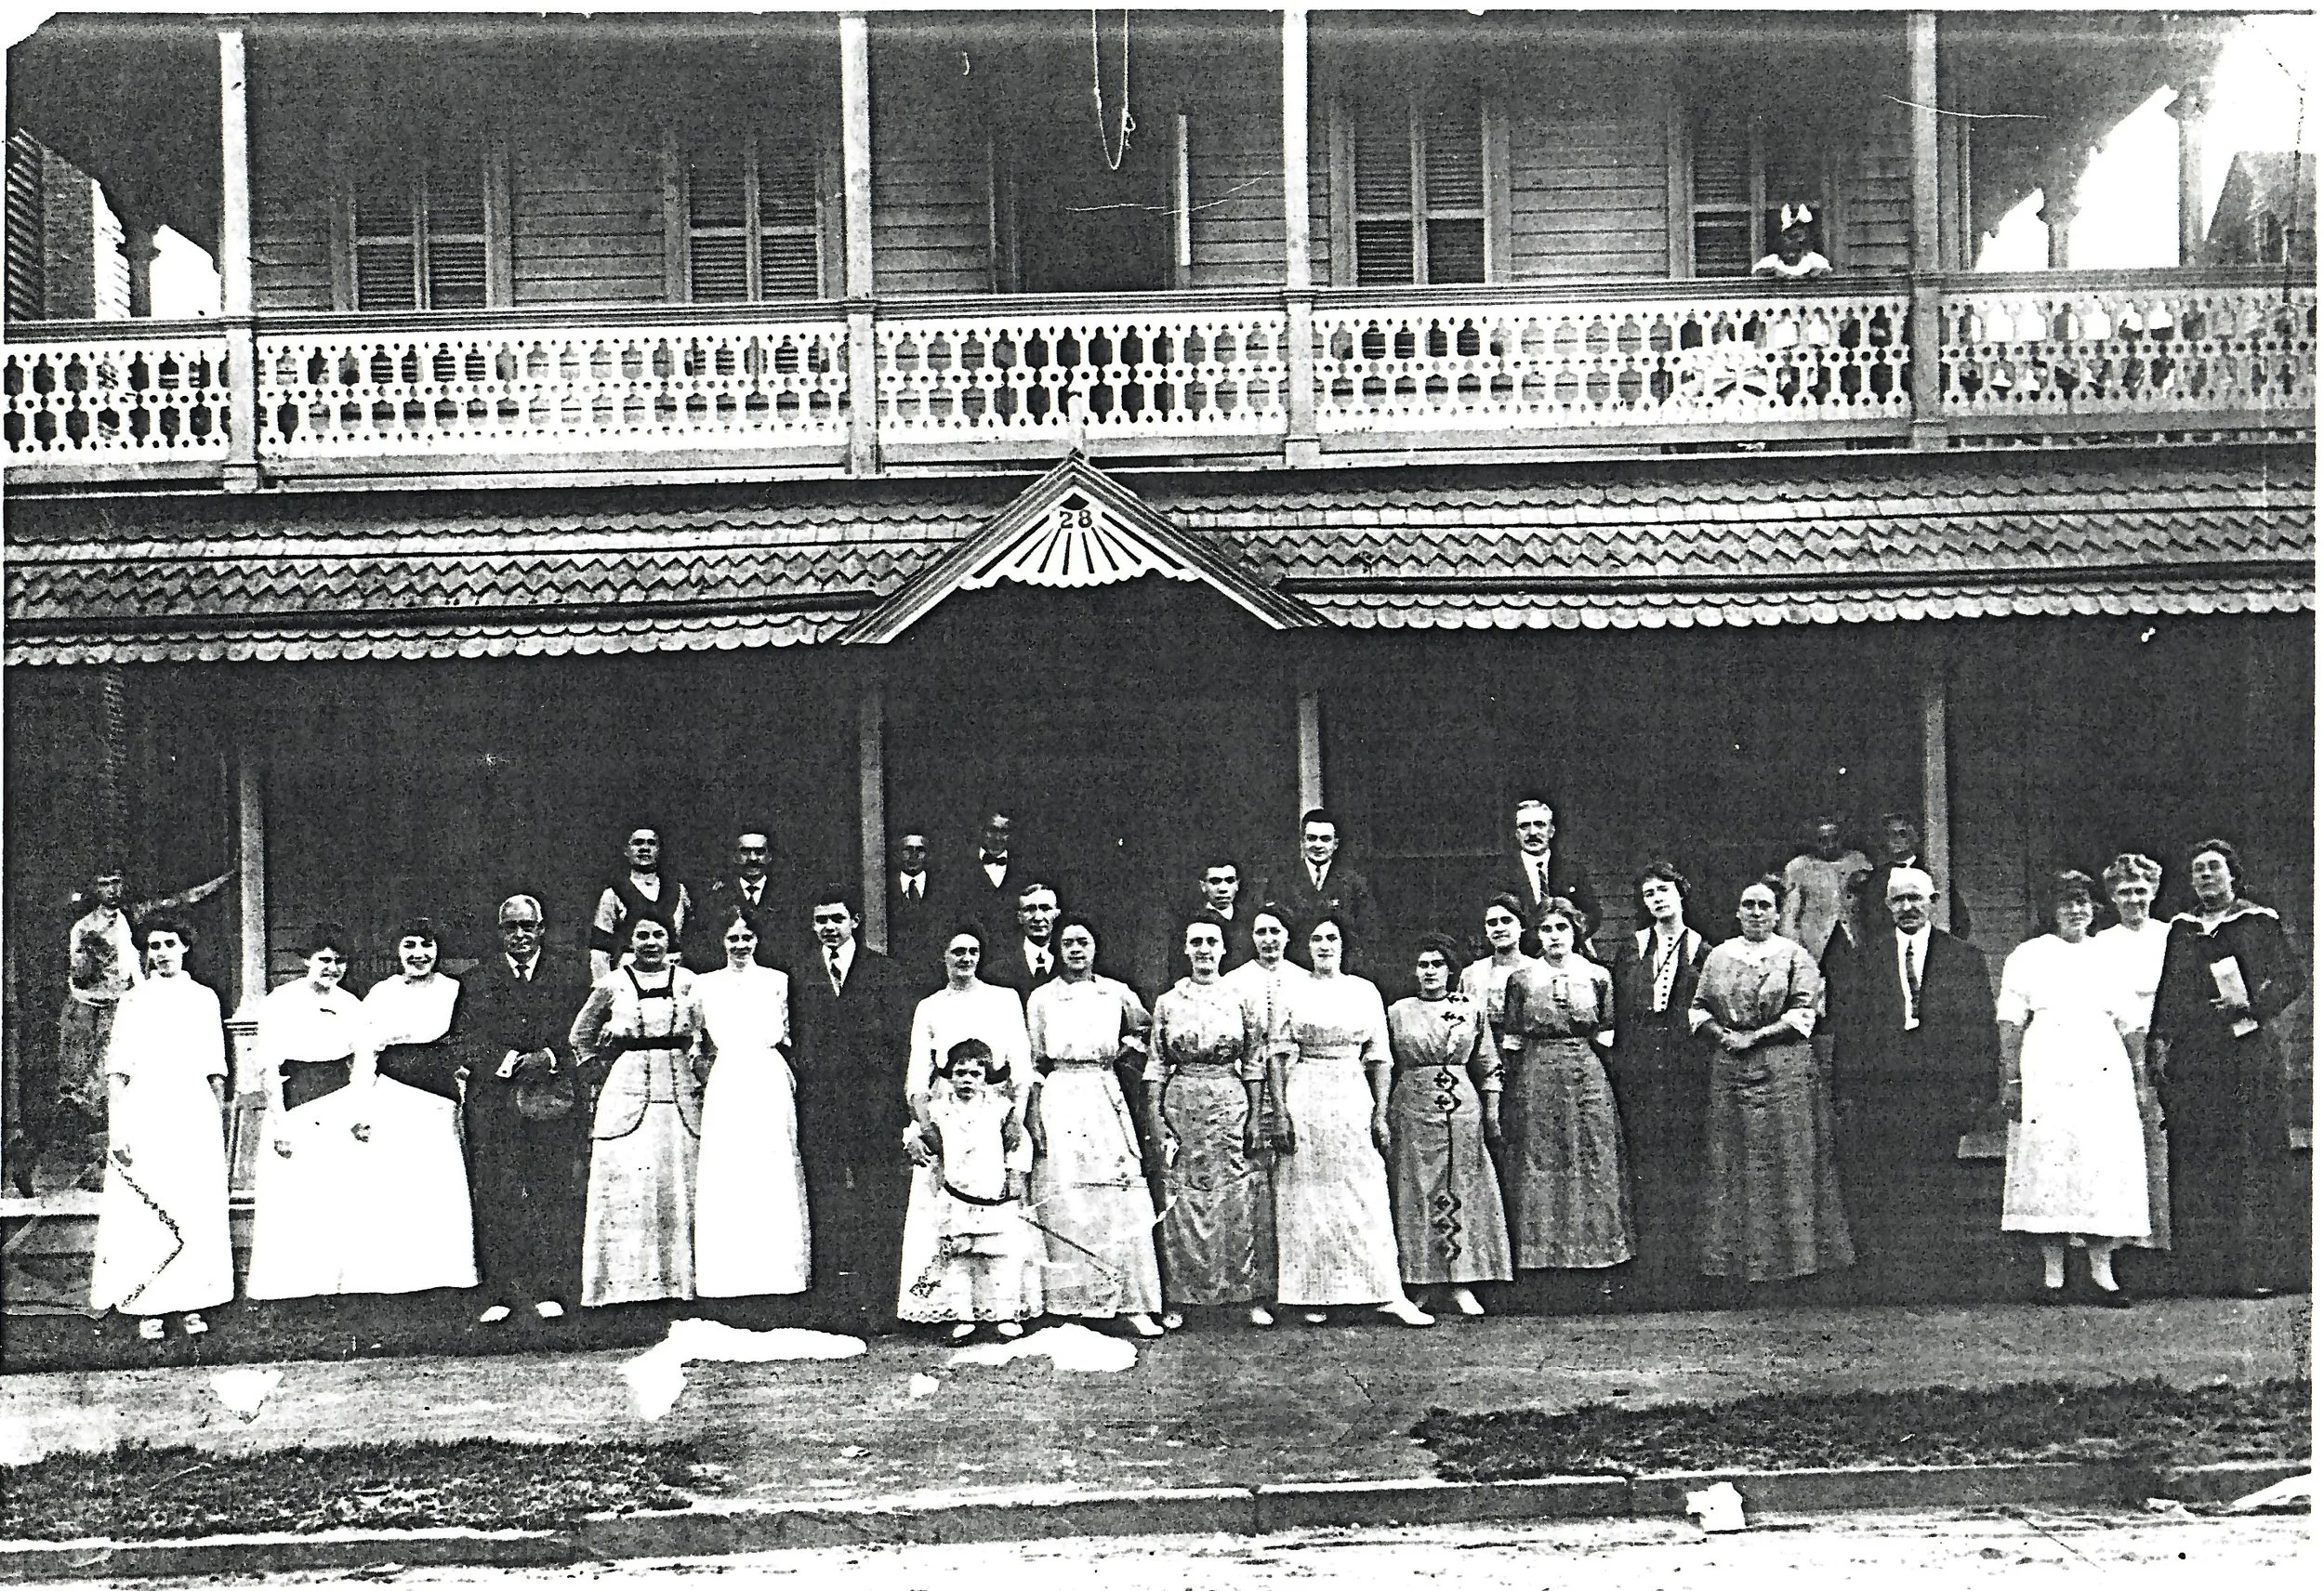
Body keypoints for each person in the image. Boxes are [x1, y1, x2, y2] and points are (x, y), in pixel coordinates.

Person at [1823, 865, 1996, 1295]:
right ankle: (1893, 1275)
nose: (1909, 907)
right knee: (1889, 1178)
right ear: (1886, 906)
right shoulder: (1867, 959)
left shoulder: (1964, 958)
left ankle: (1939, 1273)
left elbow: (1981, 1029)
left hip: (1942, 1089)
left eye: (1917, 898)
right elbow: (1851, 1031)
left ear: (1933, 902)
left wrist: (1980, 1091)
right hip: (1885, 1090)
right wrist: (1847, 1092)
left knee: (1938, 1176)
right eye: (1899, 899)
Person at [2148, 839, 2307, 1298]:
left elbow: (2292, 980)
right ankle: (2201, 1273)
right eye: (2197, 870)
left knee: (2248, 1157)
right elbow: (2169, 991)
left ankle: (2254, 1272)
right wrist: (2159, 1043)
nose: (2205, 877)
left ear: (2234, 875)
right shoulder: (2182, 928)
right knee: (2198, 1155)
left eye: (2214, 868)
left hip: (2247, 1055)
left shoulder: (2259, 920)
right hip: (2196, 1060)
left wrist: (2250, 1004)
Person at [1689, 876, 1855, 1292]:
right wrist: (1724, 1035)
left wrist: (1757, 1037)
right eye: (1749, 905)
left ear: (1778, 913)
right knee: (1733, 1159)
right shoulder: (1719, 956)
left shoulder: (1796, 956)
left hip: (1785, 1070)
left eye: (1765, 906)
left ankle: (1797, 1263)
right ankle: (1736, 1266)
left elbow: (1805, 1014)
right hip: (1731, 1067)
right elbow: (1698, 1008)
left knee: (1790, 1159)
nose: (1757, 913)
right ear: (1738, 912)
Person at [1997, 871, 2150, 1307]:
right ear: (2051, 910)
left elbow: (2131, 1024)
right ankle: (2054, 1275)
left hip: (2102, 1067)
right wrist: (2012, 1078)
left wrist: (2139, 1080)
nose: (2076, 911)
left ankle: (2103, 1274)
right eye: (2066, 903)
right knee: (2050, 1159)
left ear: (2094, 908)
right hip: (2046, 1063)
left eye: (2083, 903)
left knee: (2099, 1160)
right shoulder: (2028, 955)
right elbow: (2010, 1020)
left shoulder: (2108, 955)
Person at [1274, 914, 1433, 1327]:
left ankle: (1383, 1294)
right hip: (1306, 1090)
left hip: (1351, 1092)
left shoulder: (1364, 991)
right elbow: (1275, 1054)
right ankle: (1310, 1295)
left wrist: (1380, 1111)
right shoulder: (1289, 988)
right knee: (1308, 1193)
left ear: (1344, 944)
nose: (1324, 945)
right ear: (1306, 946)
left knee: (1363, 1190)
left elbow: (1379, 1056)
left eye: (1332, 937)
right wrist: (1280, 1112)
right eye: (1316, 938)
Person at [87, 917, 231, 1342]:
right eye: (153, 945)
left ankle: (191, 1301)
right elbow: (118, 1071)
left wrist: (217, 1119)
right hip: (147, 1109)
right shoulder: (134, 1002)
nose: (161, 952)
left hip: (193, 1112)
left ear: (185, 947)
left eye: (170, 943)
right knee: (148, 1209)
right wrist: (120, 1130)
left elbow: (215, 1067)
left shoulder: (204, 998)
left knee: (193, 1204)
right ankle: (148, 1304)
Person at [50, 863, 232, 1190]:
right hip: (93, 1010)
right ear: (96, 889)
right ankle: (91, 1165)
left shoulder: (134, 916)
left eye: (117, 883)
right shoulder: (84, 927)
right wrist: (91, 952)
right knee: (91, 1088)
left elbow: (177, 903)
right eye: (105, 885)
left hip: (134, 1003)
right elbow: (79, 974)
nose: (112, 891)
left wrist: (220, 881)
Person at [1024, 915, 1164, 1336]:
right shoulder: (1042, 998)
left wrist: (1120, 1053)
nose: (1075, 951)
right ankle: (1070, 1302)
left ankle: (1131, 1302)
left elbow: (1145, 1030)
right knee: (1067, 1194)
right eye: (1067, 943)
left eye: (1083, 942)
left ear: (1095, 947)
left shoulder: (1115, 993)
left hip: (1103, 1093)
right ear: (1056, 950)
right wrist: (1033, 1116)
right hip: (1060, 1095)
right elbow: (1033, 1061)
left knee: (1114, 1196)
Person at [462, 893, 592, 1325]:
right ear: (500, 932)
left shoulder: (570, 975)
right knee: (499, 1193)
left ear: (541, 929)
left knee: (550, 1191)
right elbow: (466, 1040)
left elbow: (584, 1032)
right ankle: (502, 1290)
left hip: (553, 1100)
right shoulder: (477, 981)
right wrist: (509, 1062)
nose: (519, 935)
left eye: (527, 926)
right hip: (494, 1103)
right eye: (510, 927)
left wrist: (550, 1059)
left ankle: (551, 1288)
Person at [897, 925, 1037, 1332]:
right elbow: (917, 1076)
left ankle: (1002, 1309)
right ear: (943, 956)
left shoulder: (1004, 999)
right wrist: (927, 1129)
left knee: (999, 1221)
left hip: (994, 1111)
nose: (965, 958)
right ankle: (951, 1310)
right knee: (944, 1213)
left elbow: (1023, 1067)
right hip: (947, 1115)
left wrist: (1016, 1119)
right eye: (957, 951)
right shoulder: (930, 1006)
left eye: (973, 950)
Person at [788, 886, 915, 1331]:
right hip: (823, 1105)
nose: (828, 928)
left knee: (877, 1197)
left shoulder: (885, 971)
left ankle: (882, 1301)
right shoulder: (801, 975)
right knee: (826, 1199)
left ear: (855, 922)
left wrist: (892, 1100)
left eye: (836, 919)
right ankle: (833, 1303)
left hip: (874, 1106)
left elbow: (901, 1043)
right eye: (820, 920)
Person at [1496, 898, 1631, 1295]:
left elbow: (1605, 1033)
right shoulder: (1522, 979)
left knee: (1592, 1156)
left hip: (1586, 1072)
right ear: (1536, 935)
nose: (1555, 937)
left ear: (1576, 933)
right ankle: (1543, 1263)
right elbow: (1514, 1039)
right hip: (1538, 1073)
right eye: (1547, 930)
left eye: (1562, 929)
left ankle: (1599, 1259)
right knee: (1541, 1158)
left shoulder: (1598, 975)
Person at [1149, 916, 1277, 1329]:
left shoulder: (1242, 996)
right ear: (1185, 949)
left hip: (1229, 1099)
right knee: (1183, 1197)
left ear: (1224, 949)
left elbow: (1256, 1062)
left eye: (1212, 942)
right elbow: (1156, 1065)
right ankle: (1181, 1298)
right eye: (1196, 942)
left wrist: (1257, 1115)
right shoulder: (1169, 1001)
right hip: (1183, 1099)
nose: (1204, 949)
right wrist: (1157, 1121)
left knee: (1237, 1197)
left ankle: (1246, 1295)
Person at [572, 915, 705, 1309]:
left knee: (679, 1183)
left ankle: (682, 1290)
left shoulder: (690, 982)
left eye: (658, 935)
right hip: (627, 1094)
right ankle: (625, 1292)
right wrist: (599, 1070)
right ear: (629, 941)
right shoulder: (611, 984)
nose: (650, 943)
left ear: (671, 939)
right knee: (629, 1188)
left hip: (680, 1092)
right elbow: (580, 1035)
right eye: (642, 936)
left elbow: (706, 1033)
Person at [1385, 932, 1512, 1318]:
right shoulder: (1397, 1012)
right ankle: (1421, 1282)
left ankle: (1461, 1282)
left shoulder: (1471, 1009)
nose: (1429, 972)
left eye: (1437, 964)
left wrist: (1491, 1114)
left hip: (1462, 1110)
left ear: (1450, 970)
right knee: (1415, 1190)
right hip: (1412, 1107)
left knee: (1462, 1187)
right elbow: (1381, 1064)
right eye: (1423, 965)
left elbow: (1489, 1065)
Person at [351, 918, 482, 1295]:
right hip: (392, 1092)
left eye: (427, 945)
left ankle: (447, 1276)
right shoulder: (381, 993)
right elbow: (366, 1051)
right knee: (397, 1185)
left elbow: (467, 1044)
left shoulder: (454, 990)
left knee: (441, 1183)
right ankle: (397, 1277)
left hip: (439, 1095)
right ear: (397, 950)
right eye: (410, 945)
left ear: (438, 950)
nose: (419, 954)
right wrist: (362, 1106)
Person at [692, 907, 811, 1310]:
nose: (741, 946)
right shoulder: (704, 985)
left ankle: (780, 1277)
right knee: (729, 1170)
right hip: (728, 1080)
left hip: (767, 1076)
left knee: (771, 1166)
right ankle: (728, 1282)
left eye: (747, 938)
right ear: (721, 943)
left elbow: (789, 1034)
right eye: (733, 939)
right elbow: (698, 1042)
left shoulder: (778, 980)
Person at [243, 923, 369, 1301]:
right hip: (294, 1105)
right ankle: (289, 1288)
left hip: (338, 1106)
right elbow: (269, 1065)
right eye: (324, 960)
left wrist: (360, 1113)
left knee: (334, 1196)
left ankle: (335, 1287)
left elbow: (362, 1064)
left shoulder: (353, 1005)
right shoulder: (281, 1001)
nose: (332, 968)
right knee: (293, 1198)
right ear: (306, 961)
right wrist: (280, 1121)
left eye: (339, 961)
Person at [1608, 861, 1714, 1308]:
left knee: (1684, 1160)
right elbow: (1618, 1006)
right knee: (1644, 1161)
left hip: (1684, 1068)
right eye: (1649, 893)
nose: (1658, 899)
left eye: (1665, 889)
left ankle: (1686, 1267)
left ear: (1682, 893)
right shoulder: (1631, 948)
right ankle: (1648, 1266)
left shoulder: (1704, 948)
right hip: (1639, 1070)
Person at [913, 1038, 1040, 1343]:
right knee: (958, 1257)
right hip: (955, 1196)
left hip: (993, 1195)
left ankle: (1006, 1315)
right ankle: (963, 1316)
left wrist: (1016, 1176)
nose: (967, 1080)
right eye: (960, 1073)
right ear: (949, 1076)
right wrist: (914, 1142)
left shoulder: (1001, 1109)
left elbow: (1021, 1143)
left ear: (987, 1078)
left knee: (1002, 1256)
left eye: (975, 1074)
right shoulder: (938, 1109)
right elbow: (917, 1132)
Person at [2093, 852, 2172, 1253]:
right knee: (2122, 1142)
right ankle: (2124, 1243)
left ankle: (2162, 1241)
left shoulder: (2171, 935)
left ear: (2155, 891)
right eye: (2125, 892)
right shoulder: (2100, 944)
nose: (2134, 899)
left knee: (2162, 1142)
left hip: (2167, 1043)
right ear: (2112, 898)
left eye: (2141, 890)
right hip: (2117, 1048)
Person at [1257, 810, 1386, 973]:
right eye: (1312, 838)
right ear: (1303, 842)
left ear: (1335, 844)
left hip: (1341, 973)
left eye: (1325, 839)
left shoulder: (1354, 883)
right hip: (1294, 974)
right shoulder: (1281, 880)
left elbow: (1368, 933)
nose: (1318, 845)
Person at [1481, 797, 1602, 953]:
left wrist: (1572, 937)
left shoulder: (1572, 870)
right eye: (1524, 826)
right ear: (1517, 834)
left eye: (1539, 825)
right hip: (1520, 955)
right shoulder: (1499, 874)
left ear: (1551, 831)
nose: (1532, 832)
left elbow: (1592, 913)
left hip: (1564, 953)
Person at [1138, 857, 1255, 995]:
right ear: (1203, 886)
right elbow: (1178, 970)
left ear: (1237, 884)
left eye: (1229, 881)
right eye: (1215, 882)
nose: (1223, 888)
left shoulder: (1251, 922)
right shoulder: (1188, 924)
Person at [590, 827, 693, 981]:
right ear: (627, 850)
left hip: (672, 973)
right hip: (631, 975)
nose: (644, 848)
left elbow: (690, 937)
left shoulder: (678, 891)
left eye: (651, 843)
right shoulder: (613, 894)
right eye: (638, 843)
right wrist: (606, 991)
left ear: (658, 850)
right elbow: (600, 950)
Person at [693, 830, 792, 973]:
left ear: (769, 857)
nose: (752, 858)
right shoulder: (715, 898)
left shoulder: (787, 896)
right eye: (745, 852)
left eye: (759, 852)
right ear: (734, 856)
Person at [1779, 817, 1872, 962]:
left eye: (1834, 839)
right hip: (1815, 947)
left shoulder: (1857, 862)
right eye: (1823, 840)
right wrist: (1798, 954)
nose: (1830, 845)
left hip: (1853, 942)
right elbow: (1790, 917)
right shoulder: (1800, 867)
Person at [1864, 812, 1971, 937]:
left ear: (1914, 836)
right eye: (1890, 834)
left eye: (1902, 834)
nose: (1896, 840)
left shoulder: (1931, 874)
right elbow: (1870, 918)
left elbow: (1960, 920)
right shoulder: (1878, 878)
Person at [959, 811, 1032, 954]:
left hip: (1013, 952)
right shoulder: (961, 868)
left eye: (1004, 831)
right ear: (981, 830)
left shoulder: (1025, 869)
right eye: (992, 830)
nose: (997, 838)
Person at [985, 880, 1064, 998]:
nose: (1038, 917)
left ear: (1057, 914)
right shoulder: (997, 970)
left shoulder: (1068, 965)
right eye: (1029, 909)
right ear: (1020, 917)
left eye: (1045, 909)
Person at [888, 831, 946, 988]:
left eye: (920, 850)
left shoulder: (944, 889)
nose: (913, 856)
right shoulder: (884, 890)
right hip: (896, 977)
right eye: (907, 850)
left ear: (928, 855)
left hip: (935, 977)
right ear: (898, 854)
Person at [1751, 202, 1834, 279]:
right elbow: (1757, 273)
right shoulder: (1772, 262)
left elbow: (1826, 274)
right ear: (1783, 238)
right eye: (1791, 237)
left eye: (1800, 236)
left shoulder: (1814, 261)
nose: (1797, 242)